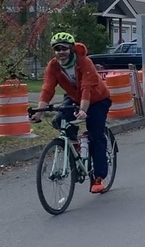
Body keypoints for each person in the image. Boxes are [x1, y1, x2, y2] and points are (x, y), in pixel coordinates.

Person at [30, 32, 112, 193]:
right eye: (57, 49)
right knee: (60, 120)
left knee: (96, 135)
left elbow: (87, 88)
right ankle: (75, 144)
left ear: (71, 49)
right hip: (74, 97)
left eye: (64, 48)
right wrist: (39, 112)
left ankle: (98, 177)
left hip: (97, 99)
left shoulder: (84, 62)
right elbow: (47, 89)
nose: (61, 52)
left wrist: (83, 110)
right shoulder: (53, 66)